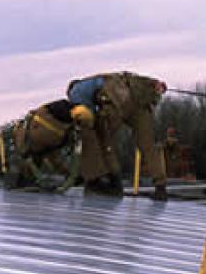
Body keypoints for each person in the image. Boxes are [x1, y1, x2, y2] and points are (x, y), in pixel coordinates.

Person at [67, 71, 168, 200]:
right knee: (147, 145)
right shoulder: (107, 78)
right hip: (140, 104)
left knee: (103, 140)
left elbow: (88, 117)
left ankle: (113, 183)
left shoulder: (76, 91)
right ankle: (161, 188)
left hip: (117, 102)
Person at [7, 98, 79, 189]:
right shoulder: (44, 147)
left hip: (50, 123)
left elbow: (54, 161)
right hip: (52, 118)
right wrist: (68, 175)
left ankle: (21, 183)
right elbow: (55, 162)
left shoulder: (26, 146)